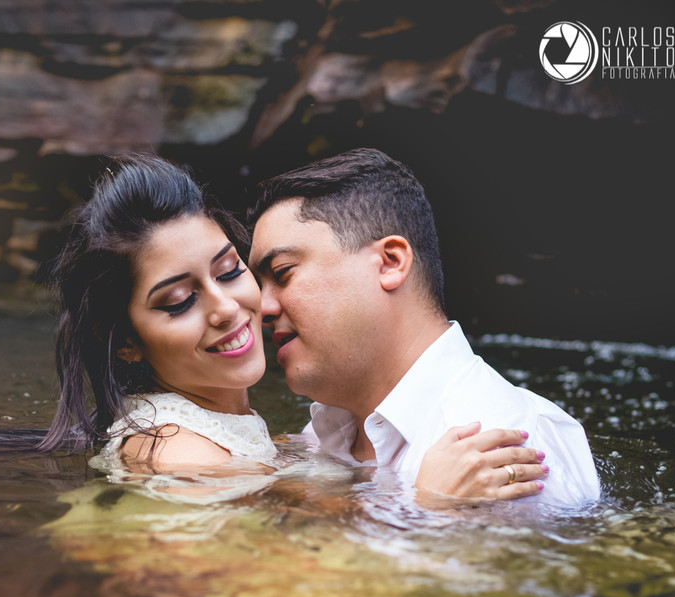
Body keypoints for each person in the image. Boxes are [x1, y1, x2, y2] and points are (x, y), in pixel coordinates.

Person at [39, 152, 547, 501]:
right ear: (127, 342)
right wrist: (426, 507)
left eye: (230, 271)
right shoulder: (180, 457)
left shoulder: (506, 441)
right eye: (178, 301)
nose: (234, 306)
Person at [248, 148, 601, 508]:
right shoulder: (331, 429)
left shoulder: (502, 448)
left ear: (390, 263)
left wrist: (429, 509)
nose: (262, 307)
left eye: (282, 273)